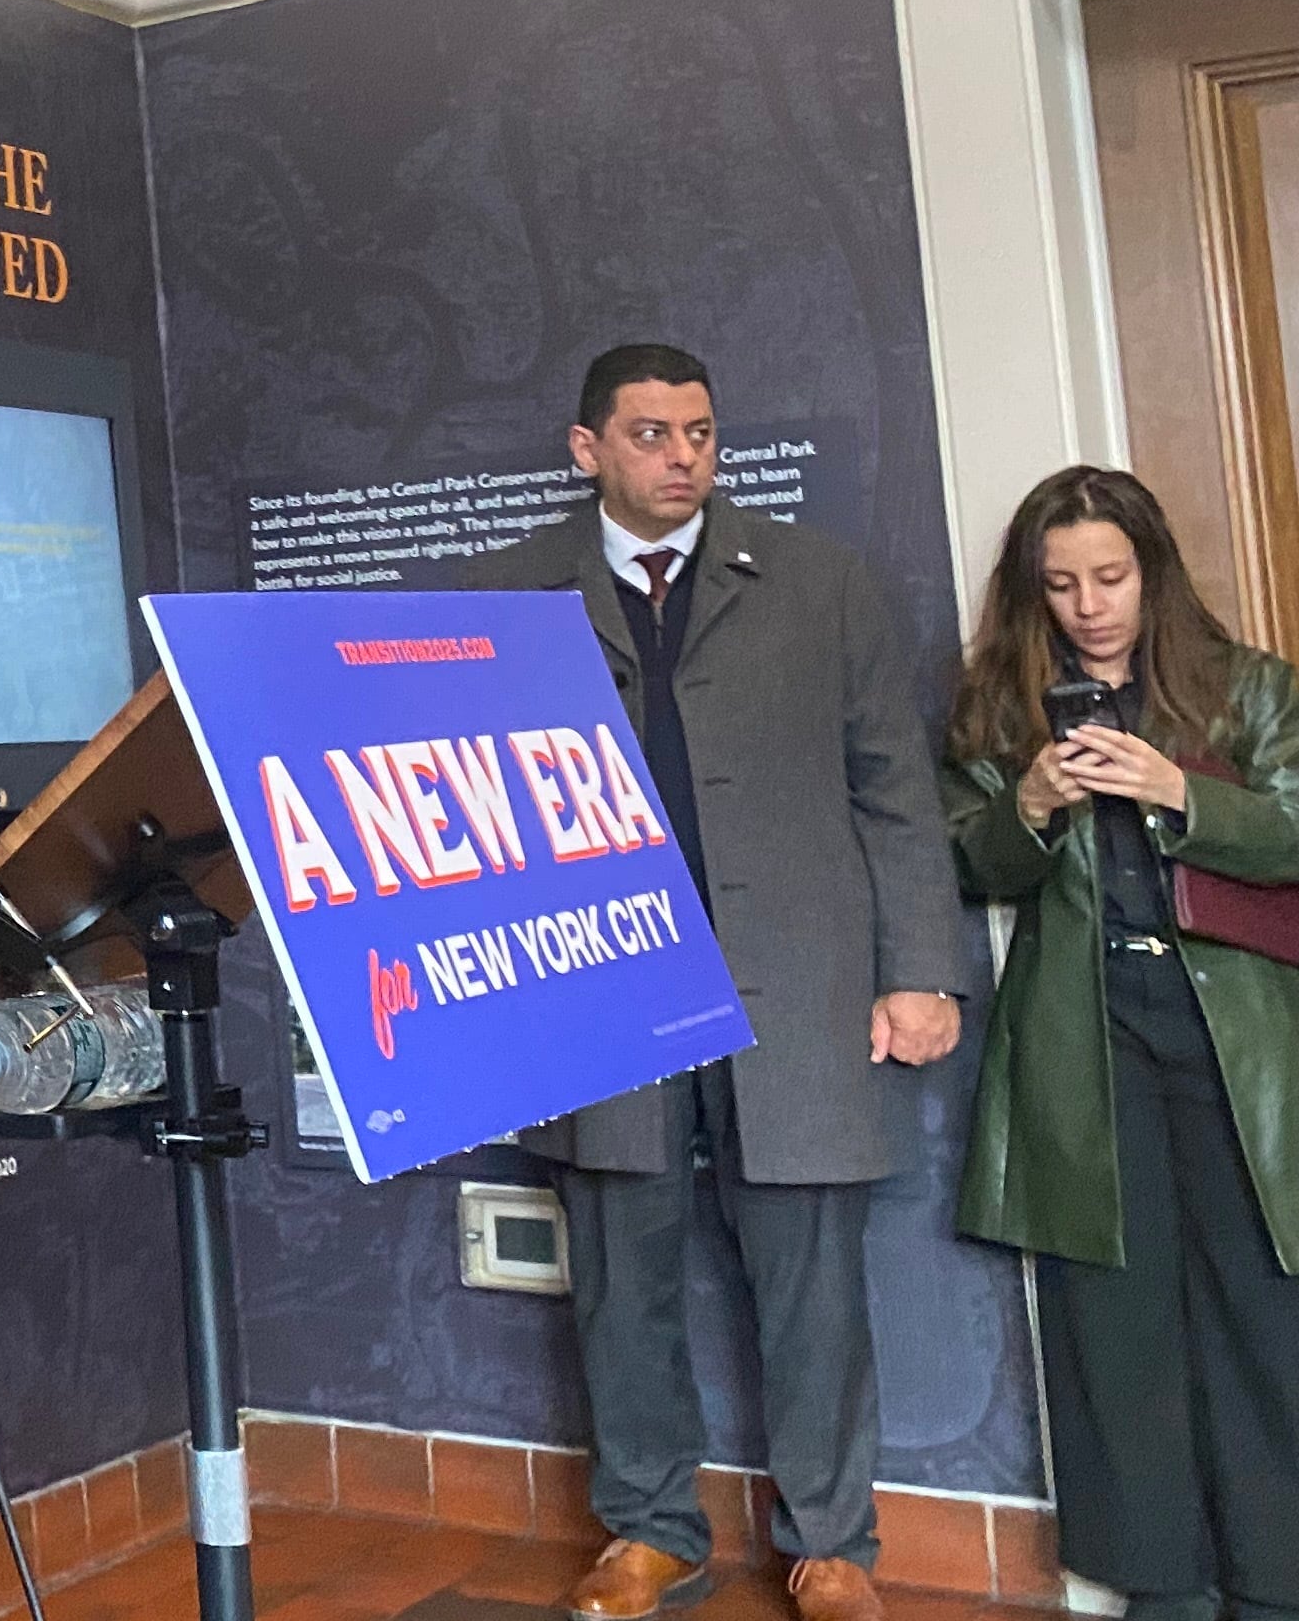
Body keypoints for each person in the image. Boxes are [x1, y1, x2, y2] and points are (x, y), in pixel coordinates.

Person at [461, 343, 968, 1621]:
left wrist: (920, 971)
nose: (682, 456)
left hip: (793, 981)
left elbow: (895, 792)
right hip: (599, 985)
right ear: (587, 449)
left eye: (699, 432)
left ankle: (833, 1545)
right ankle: (650, 1533)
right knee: (619, 1279)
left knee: (813, 1285)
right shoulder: (508, 591)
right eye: (650, 434)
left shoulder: (818, 581)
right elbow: (458, 806)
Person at [945, 464, 1299, 1621]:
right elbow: (966, 860)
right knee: (1115, 1320)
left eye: (1110, 576)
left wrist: (1180, 791)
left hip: (1235, 1032)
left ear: (1153, 572)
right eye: (1062, 584)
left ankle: (1277, 1579)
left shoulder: (1248, 688)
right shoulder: (1003, 706)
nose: (1090, 605)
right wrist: (1029, 807)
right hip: (1087, 1031)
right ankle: (1161, 1586)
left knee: (1261, 1306)